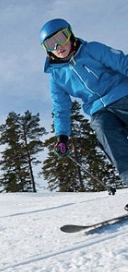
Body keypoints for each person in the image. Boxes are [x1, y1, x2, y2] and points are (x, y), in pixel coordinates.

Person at [39, 18, 128, 193]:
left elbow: (123, 63)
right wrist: (62, 136)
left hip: (123, 94)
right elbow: (61, 108)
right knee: (104, 131)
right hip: (98, 110)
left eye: (61, 38)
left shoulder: (92, 49)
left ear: (70, 34)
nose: (58, 46)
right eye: (50, 44)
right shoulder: (56, 77)